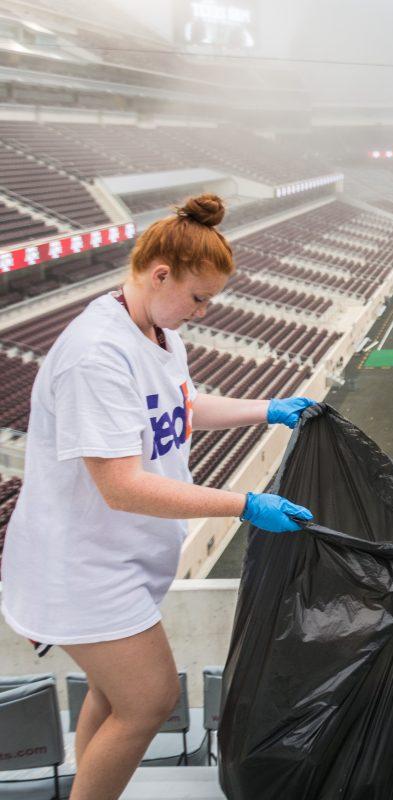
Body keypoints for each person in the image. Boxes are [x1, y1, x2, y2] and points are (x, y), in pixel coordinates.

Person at [0, 194, 315, 800]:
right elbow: (120, 487)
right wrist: (244, 505)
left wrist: (268, 410)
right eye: (198, 298)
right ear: (159, 273)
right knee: (150, 702)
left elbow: (181, 408)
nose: (202, 311)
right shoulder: (96, 354)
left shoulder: (156, 330)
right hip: (83, 564)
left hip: (118, 557)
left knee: (114, 696)